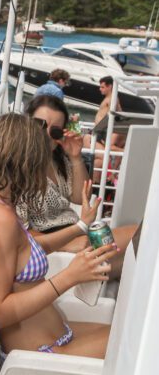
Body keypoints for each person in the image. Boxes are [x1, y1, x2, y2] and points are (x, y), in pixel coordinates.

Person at [0, 113, 118, 360]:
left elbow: (30, 247)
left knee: (129, 333)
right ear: (26, 162)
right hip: (41, 354)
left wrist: (81, 226)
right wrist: (69, 277)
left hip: (59, 339)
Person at [23, 94, 136, 263]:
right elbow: (17, 232)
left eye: (54, 131)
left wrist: (75, 157)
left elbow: (78, 197)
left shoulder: (55, 161)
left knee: (135, 257)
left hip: (78, 231)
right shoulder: (18, 168)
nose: (46, 134)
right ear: (26, 124)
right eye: (40, 124)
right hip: (63, 240)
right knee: (143, 235)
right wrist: (66, 243)